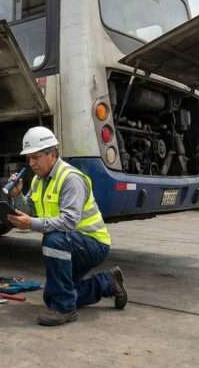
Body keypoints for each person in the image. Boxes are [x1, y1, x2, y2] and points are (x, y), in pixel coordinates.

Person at [7, 126, 127, 326]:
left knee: (53, 240)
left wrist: (31, 224)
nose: (31, 163)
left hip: (92, 244)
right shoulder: (38, 180)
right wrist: (17, 195)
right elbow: (29, 209)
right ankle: (108, 282)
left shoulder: (71, 179)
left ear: (52, 154)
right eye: (29, 158)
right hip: (71, 243)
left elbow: (69, 222)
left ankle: (65, 310)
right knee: (52, 297)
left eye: (36, 157)